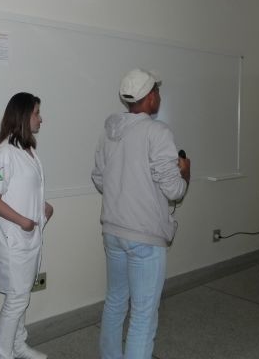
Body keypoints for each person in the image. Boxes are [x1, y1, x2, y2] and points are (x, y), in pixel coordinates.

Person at [91, 68, 190, 359]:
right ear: (149, 97)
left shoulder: (109, 132)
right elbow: (174, 190)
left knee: (115, 302)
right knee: (144, 314)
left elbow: (99, 178)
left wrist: (126, 191)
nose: (159, 96)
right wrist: (185, 173)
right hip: (144, 237)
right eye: (157, 91)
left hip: (113, 231)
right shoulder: (158, 132)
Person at [0, 92, 53, 359]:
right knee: (16, 299)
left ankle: (18, 345)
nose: (40, 119)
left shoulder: (29, 151)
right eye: (37, 113)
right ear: (24, 115)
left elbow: (23, 192)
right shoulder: (5, 153)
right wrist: (24, 221)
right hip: (12, 237)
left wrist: (42, 207)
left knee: (22, 295)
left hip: (27, 237)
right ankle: (3, 354)